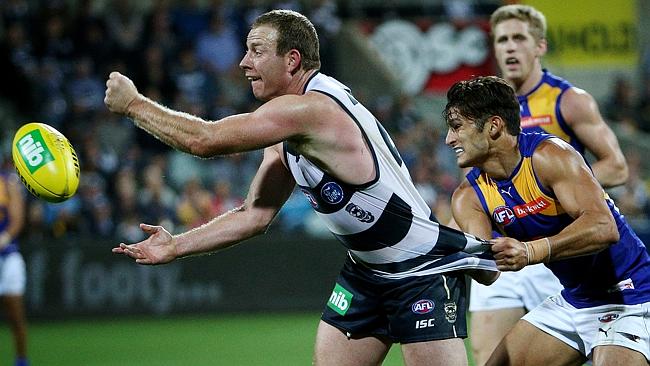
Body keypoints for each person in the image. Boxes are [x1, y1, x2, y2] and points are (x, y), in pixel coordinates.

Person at [105, 9, 497, 366]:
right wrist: (176, 245)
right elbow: (255, 215)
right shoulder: (289, 123)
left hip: (420, 269)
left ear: (292, 60)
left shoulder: (311, 110)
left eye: (257, 51)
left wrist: (134, 105)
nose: (244, 63)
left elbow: (204, 140)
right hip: (366, 274)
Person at [445, 75, 650, 365]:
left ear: (493, 126)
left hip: (631, 296)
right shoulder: (468, 197)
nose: (449, 139)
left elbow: (604, 228)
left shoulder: (550, 156)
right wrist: (451, 252)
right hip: (576, 300)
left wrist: (530, 251)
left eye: (456, 128)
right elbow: (489, 272)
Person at [466, 5, 630, 364]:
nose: (509, 48)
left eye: (518, 38)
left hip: (561, 248)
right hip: (507, 246)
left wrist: (549, 191)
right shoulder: (480, 113)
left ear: (539, 46)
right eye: (501, 40)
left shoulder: (567, 100)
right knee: (488, 356)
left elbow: (616, 167)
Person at [0, 166, 29, 366]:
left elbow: (17, 219)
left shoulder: (7, 182)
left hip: (8, 256)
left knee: (16, 317)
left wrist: (5, 237)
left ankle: (21, 360)